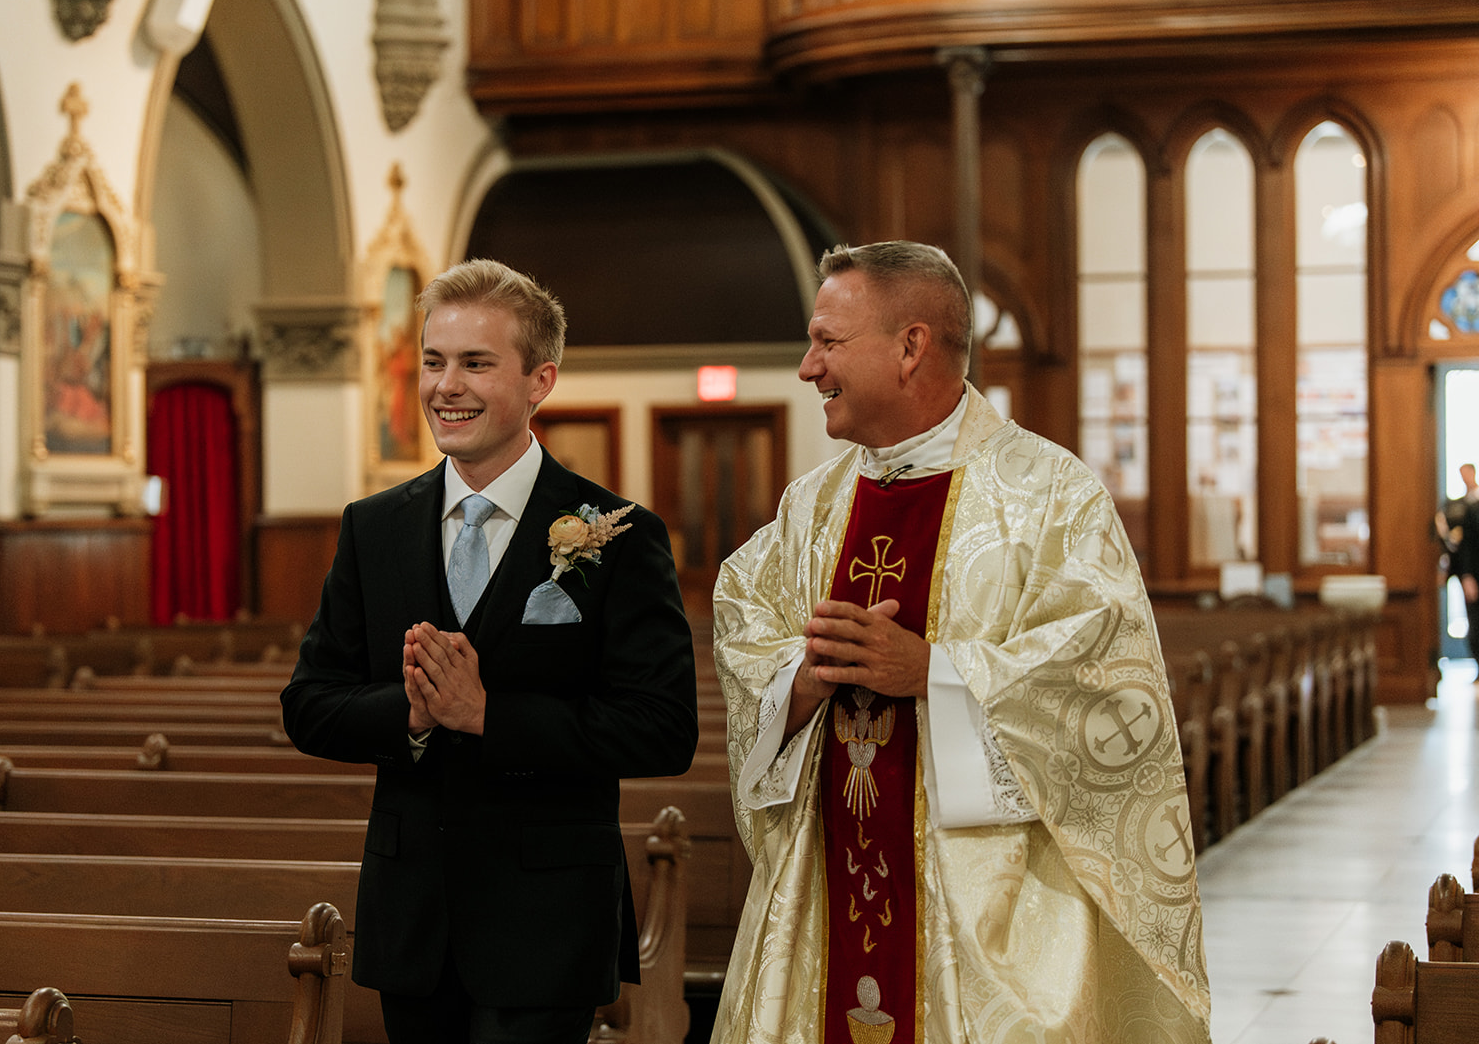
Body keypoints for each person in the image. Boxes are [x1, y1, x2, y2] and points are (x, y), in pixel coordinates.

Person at [710, 241, 1212, 1044]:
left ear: (910, 347)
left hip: (981, 928)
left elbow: (1107, 683)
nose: (809, 368)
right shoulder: (813, 505)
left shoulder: (1050, 495)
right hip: (828, 902)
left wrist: (933, 672)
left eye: (827, 343)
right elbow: (744, 620)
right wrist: (798, 682)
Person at [281, 258, 698, 1044]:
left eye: (476, 362)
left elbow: (662, 728)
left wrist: (487, 715)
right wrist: (407, 713)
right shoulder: (374, 528)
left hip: (547, 921)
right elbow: (309, 704)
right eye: (434, 361)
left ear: (540, 379)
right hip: (413, 920)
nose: (446, 385)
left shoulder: (615, 533)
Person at [1453, 463, 1479, 671]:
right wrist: (1467, 576)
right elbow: (1467, 545)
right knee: (1476, 623)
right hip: (1476, 575)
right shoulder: (1471, 508)